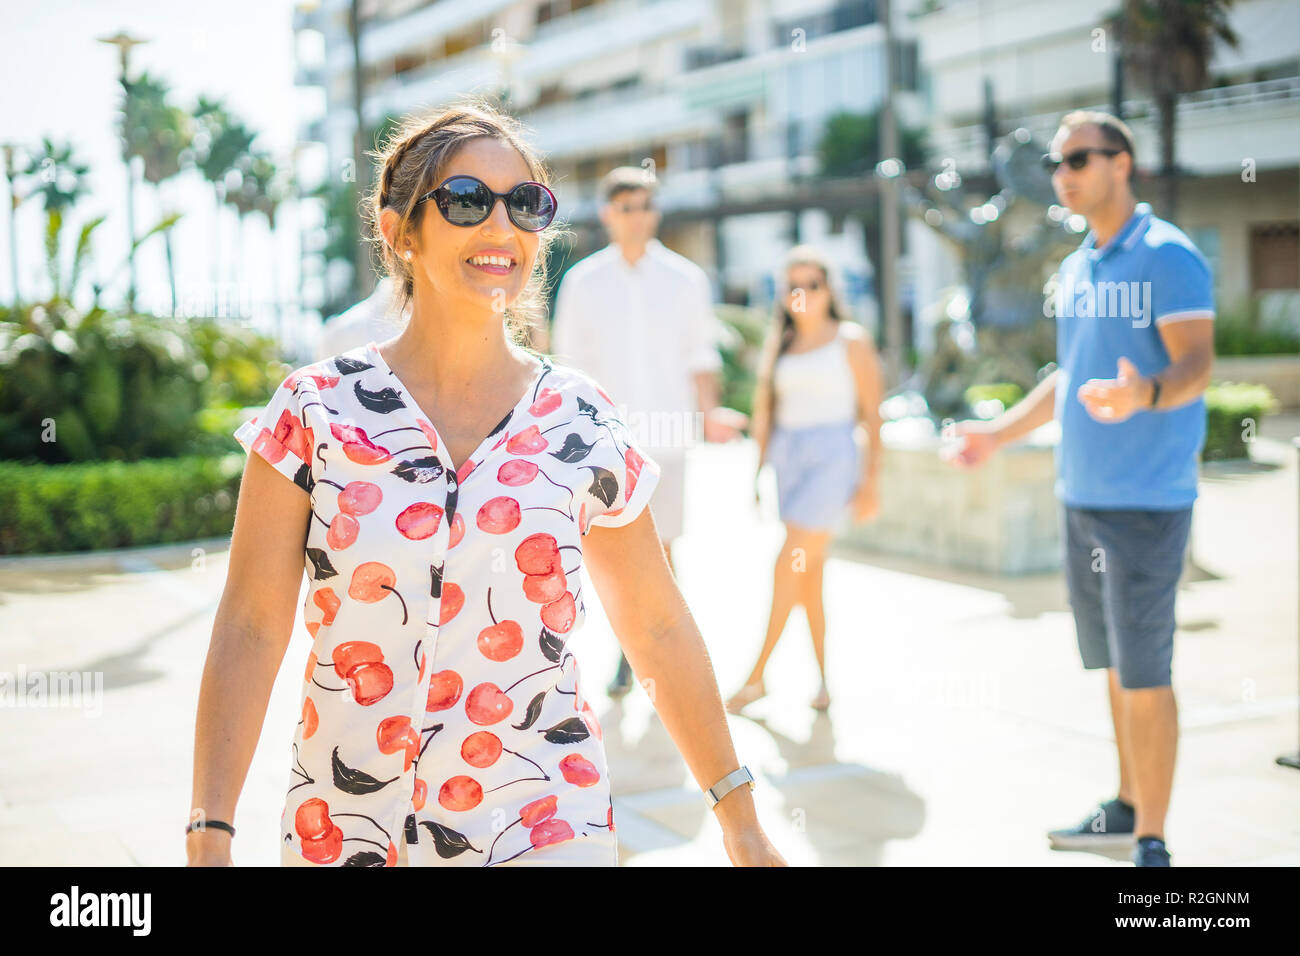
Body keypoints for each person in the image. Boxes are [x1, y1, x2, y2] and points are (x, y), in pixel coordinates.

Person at [187, 101, 785, 868]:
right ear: (400, 229)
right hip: (345, 828)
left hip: (542, 815)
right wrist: (210, 831)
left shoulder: (581, 417)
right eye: (468, 201)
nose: (501, 226)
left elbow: (658, 628)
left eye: (525, 204)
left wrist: (740, 820)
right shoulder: (313, 409)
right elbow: (248, 627)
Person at [946, 110, 1215, 867]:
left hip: (1146, 504)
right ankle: (1127, 808)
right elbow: (1067, 376)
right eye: (1059, 163)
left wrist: (1146, 395)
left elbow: (1196, 363)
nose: (1063, 174)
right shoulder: (1079, 264)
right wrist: (994, 436)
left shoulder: (1168, 256)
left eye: (1079, 159)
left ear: (1121, 162)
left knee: (1146, 671)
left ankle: (1153, 840)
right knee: (1112, 667)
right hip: (1082, 497)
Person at [549, 166, 743, 699]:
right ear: (609, 213)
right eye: (626, 206)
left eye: (645, 206)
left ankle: (657, 653)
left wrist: (713, 413)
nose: (637, 217)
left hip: (669, 435)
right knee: (612, 557)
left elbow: (699, 358)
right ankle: (626, 653)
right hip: (604, 442)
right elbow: (568, 367)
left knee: (664, 550)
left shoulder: (685, 279)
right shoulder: (583, 282)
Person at [724, 245, 883, 715]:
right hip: (788, 460)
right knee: (808, 577)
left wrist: (871, 483)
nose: (804, 295)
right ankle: (823, 682)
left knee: (787, 563)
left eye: (813, 284)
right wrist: (756, 473)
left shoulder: (850, 340)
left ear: (828, 289)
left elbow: (874, 416)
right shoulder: (783, 344)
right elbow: (766, 414)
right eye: (794, 286)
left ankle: (756, 677)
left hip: (833, 460)